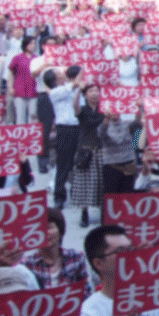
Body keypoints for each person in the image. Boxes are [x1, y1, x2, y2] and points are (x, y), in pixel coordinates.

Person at [45, 67, 82, 210]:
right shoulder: (54, 92)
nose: (63, 75)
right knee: (63, 164)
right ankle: (59, 196)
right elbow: (75, 83)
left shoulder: (71, 87)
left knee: (79, 162)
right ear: (54, 80)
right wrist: (85, 67)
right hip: (65, 129)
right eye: (59, 74)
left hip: (78, 127)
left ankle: (76, 193)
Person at [71, 83, 104, 227]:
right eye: (91, 91)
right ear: (85, 95)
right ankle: (84, 213)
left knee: (101, 183)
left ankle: (104, 212)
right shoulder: (83, 110)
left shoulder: (104, 109)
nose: (95, 93)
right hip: (85, 151)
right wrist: (78, 89)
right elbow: (75, 107)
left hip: (101, 149)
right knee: (84, 184)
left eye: (97, 90)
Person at [8, 36, 39, 124]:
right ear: (25, 45)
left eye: (34, 44)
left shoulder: (36, 58)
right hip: (20, 89)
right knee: (20, 117)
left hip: (33, 90)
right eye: (31, 43)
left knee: (32, 117)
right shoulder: (17, 58)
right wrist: (10, 87)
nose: (33, 46)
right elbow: (11, 73)